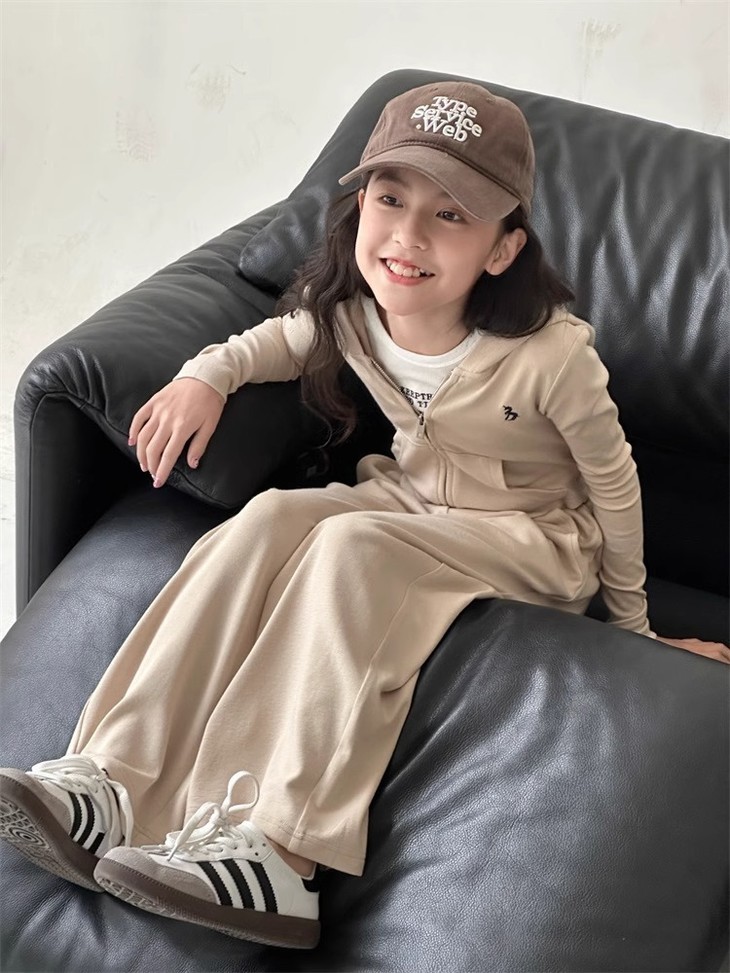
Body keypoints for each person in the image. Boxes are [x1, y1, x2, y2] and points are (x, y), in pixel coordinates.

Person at [1, 81, 728, 951]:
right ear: (359, 207)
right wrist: (205, 376)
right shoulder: (355, 314)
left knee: (348, 546)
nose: (409, 236)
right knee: (267, 521)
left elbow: (614, 484)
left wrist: (634, 626)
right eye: (391, 199)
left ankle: (274, 847)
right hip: (409, 502)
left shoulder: (552, 357)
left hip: (531, 538)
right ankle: (114, 779)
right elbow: (277, 342)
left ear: (503, 250)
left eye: (450, 215)